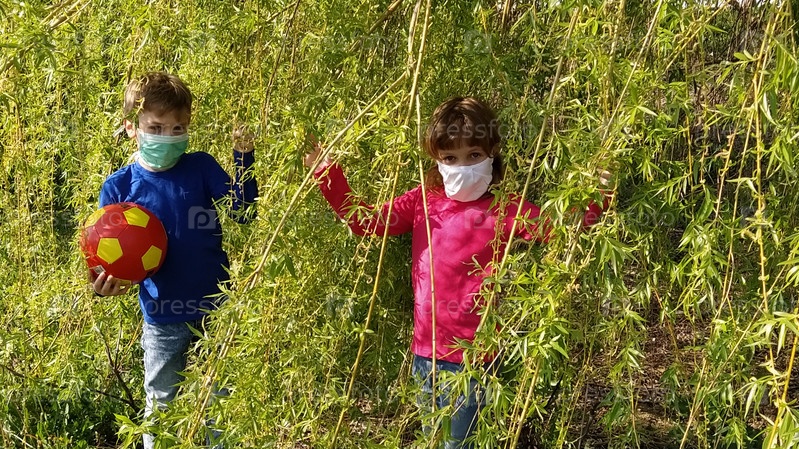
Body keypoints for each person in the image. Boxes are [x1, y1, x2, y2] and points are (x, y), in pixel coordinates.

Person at [305, 97, 611, 448]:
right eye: (450, 158)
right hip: (426, 354)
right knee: (434, 440)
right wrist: (327, 174)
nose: (462, 167)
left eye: (473, 155)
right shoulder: (423, 201)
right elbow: (366, 221)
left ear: (492, 153)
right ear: (436, 159)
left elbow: (562, 228)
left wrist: (598, 194)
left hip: (475, 360)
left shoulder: (506, 207)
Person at [90, 72, 258, 449]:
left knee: (220, 404)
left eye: (177, 128)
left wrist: (243, 156)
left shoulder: (200, 167)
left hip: (217, 308)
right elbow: (102, 261)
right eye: (156, 127)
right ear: (132, 128)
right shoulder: (118, 187)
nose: (167, 137)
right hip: (162, 316)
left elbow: (244, 211)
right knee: (162, 405)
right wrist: (103, 286)